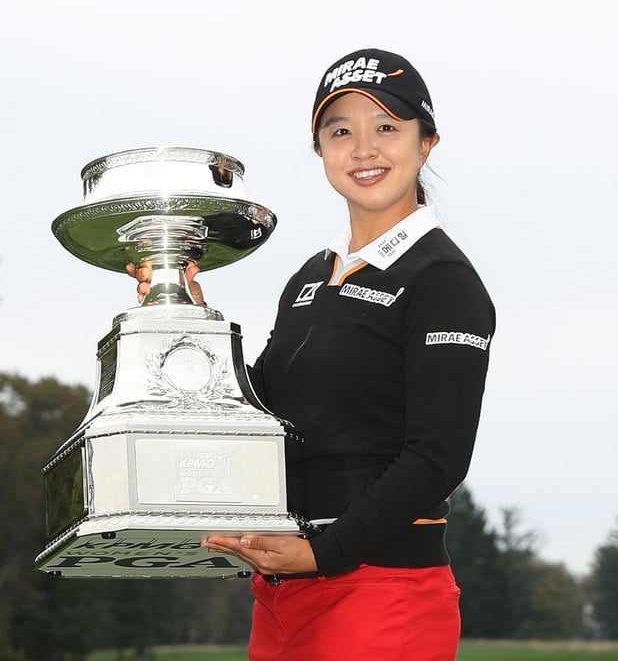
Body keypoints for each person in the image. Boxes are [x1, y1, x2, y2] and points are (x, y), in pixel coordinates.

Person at [131, 48, 495, 660]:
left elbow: (438, 457)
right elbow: (262, 412)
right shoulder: (309, 278)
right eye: (341, 131)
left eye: (387, 127)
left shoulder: (444, 282)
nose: (364, 149)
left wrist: (324, 552)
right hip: (280, 592)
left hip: (382, 591)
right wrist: (188, 319)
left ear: (426, 142)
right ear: (320, 149)